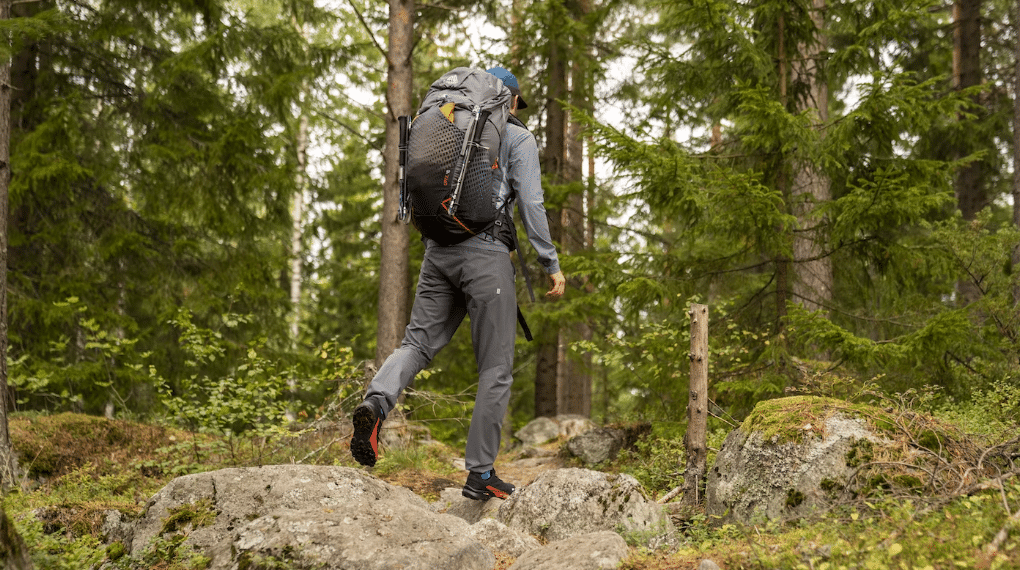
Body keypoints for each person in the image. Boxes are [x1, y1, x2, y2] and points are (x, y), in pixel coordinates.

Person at [350, 66, 566, 501]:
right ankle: (480, 473)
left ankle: (376, 403)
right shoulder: (517, 136)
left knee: (417, 344)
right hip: (486, 256)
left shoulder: (446, 119)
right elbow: (532, 202)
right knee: (496, 367)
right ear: (511, 100)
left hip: (438, 249)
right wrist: (551, 263)